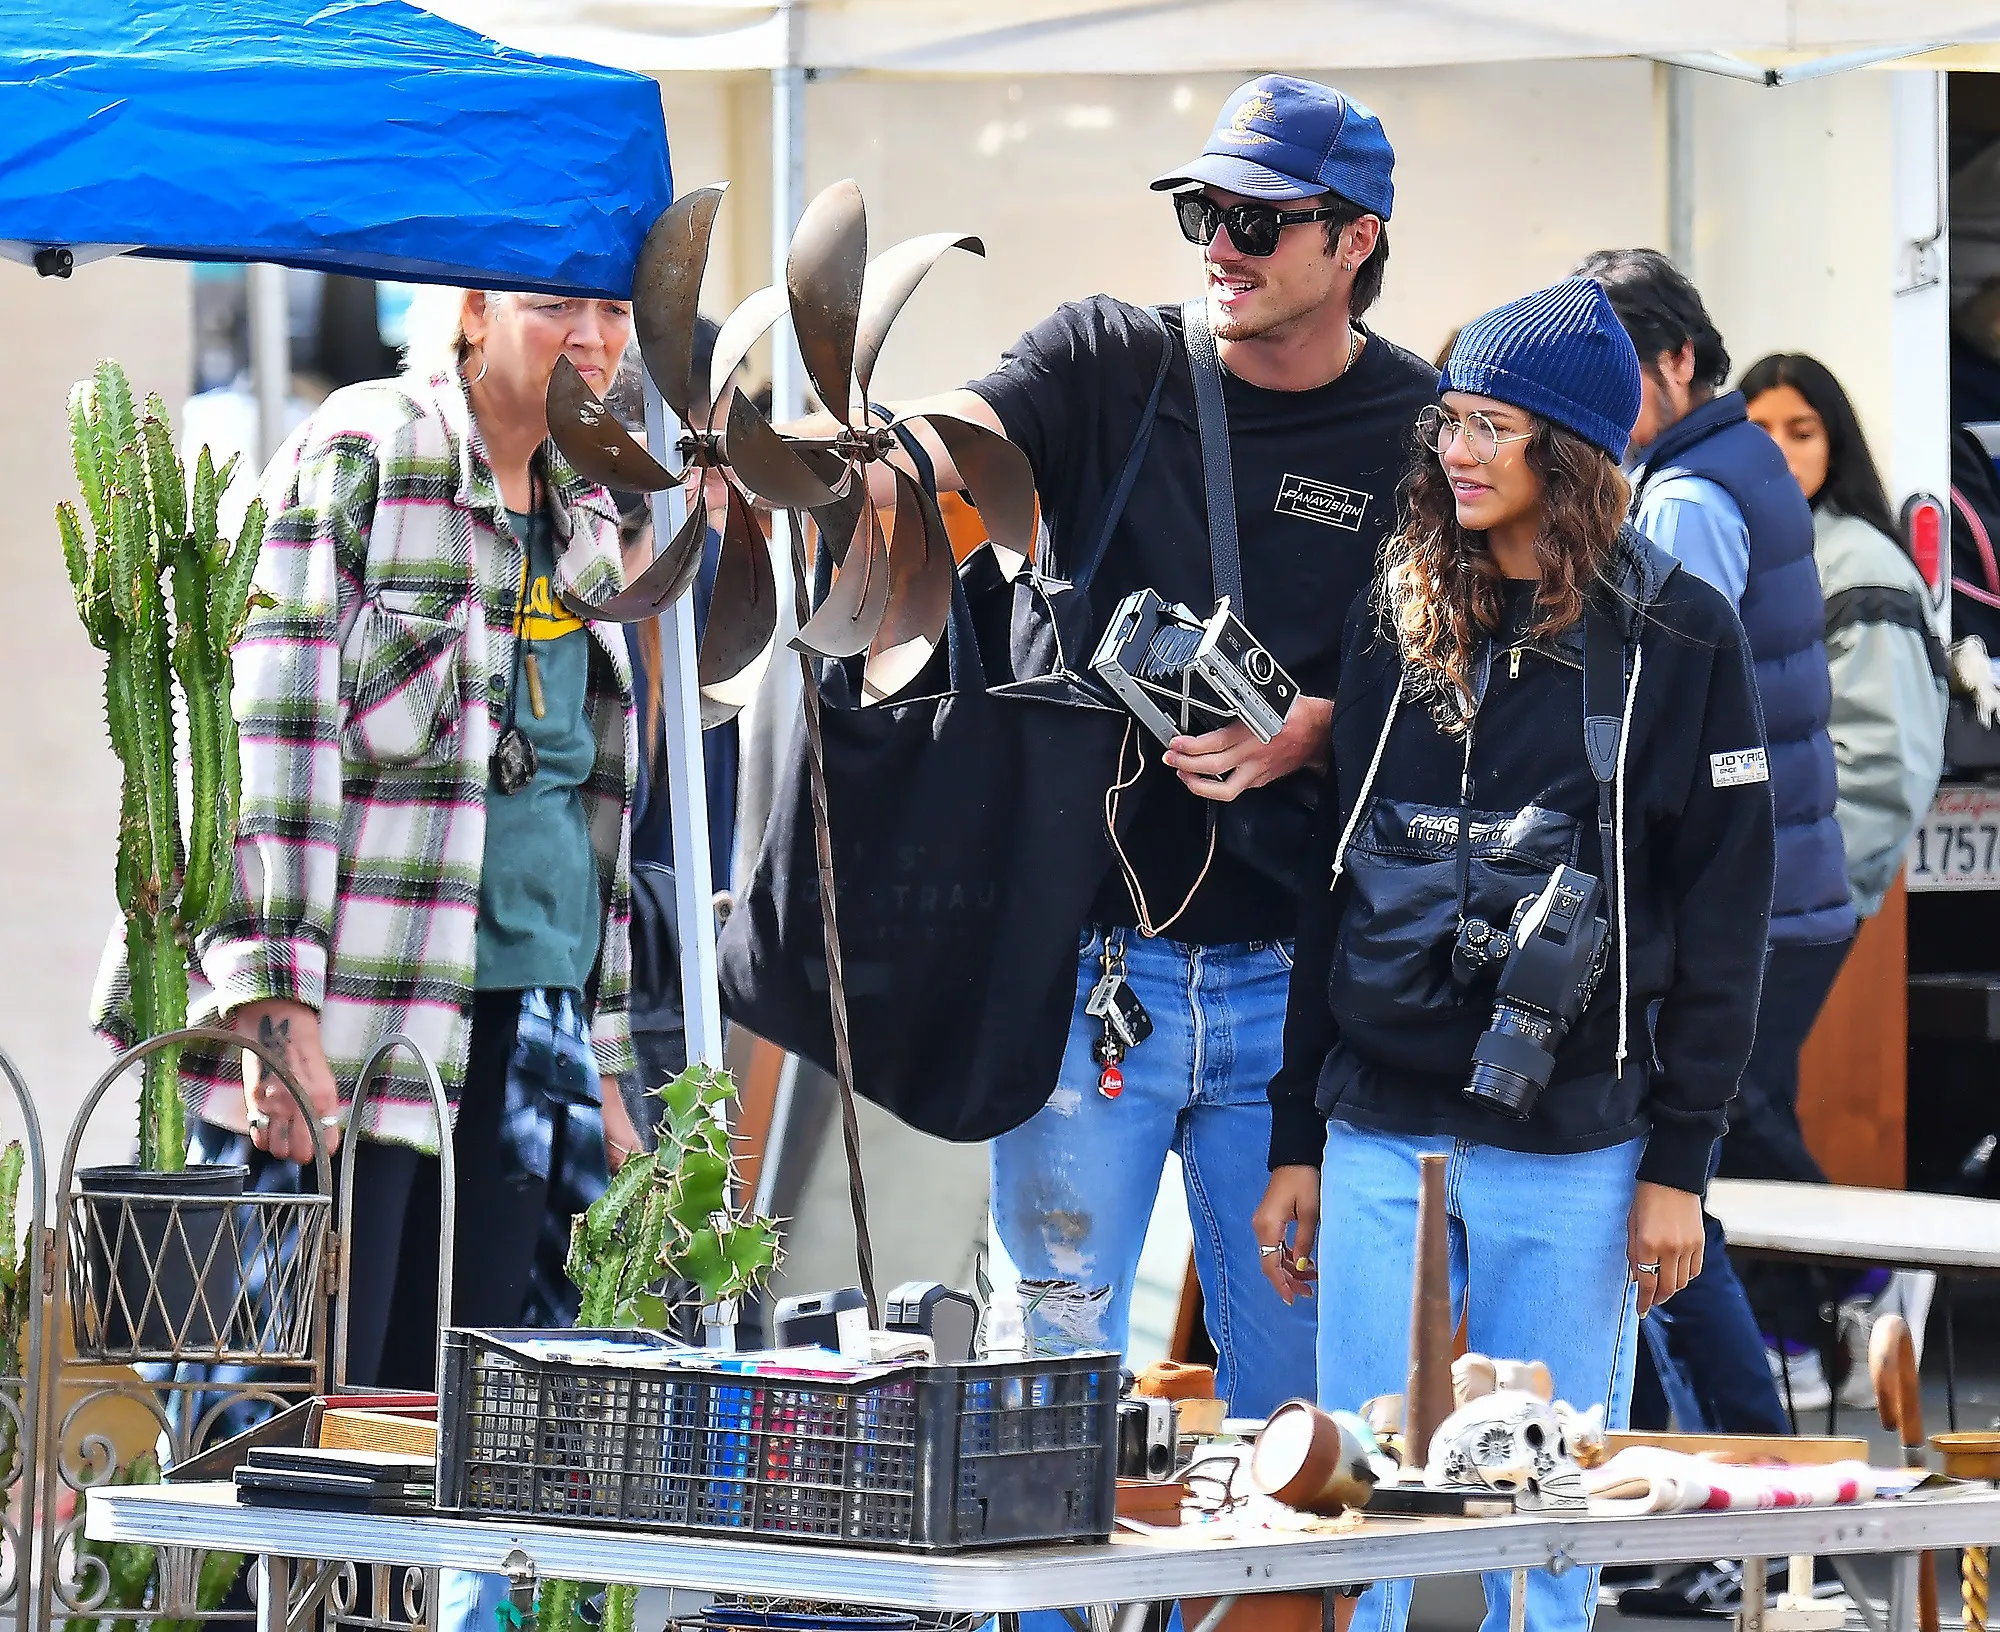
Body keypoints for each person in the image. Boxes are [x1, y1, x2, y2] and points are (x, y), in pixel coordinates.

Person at [851, 75, 1436, 1412]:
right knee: (1041, 1392)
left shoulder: (1423, 432)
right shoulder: (1109, 362)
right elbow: (959, 444)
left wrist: (1323, 732)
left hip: (1301, 991)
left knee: (1299, 1416)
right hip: (1090, 981)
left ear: (1358, 241)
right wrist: (859, 457)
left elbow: (1481, 705)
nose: (1221, 243)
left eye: (1259, 219)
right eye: (1200, 211)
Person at [1257, 278, 1773, 1632]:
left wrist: (1680, 1168)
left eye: (1494, 424)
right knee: (1366, 1516)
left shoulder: (1681, 636)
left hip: (1581, 1145)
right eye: (1450, 420)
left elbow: (1725, 920)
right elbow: (1333, 886)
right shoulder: (1400, 608)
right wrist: (1295, 1137)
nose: (1458, 451)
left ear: (1574, 451)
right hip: (1377, 1133)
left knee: (1541, 1534)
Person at [137, 285, 648, 1388]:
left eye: (614, 310)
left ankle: (400, 1580)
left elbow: (586, 805)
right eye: (558, 306)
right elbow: (268, 725)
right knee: (292, 1415)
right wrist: (274, 1008)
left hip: (527, 1025)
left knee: (446, 1430)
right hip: (364, 1022)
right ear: (471, 312)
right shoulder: (372, 443)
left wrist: (606, 1074)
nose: (595, 339)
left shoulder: (591, 498)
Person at [1577, 251, 1850, 1615]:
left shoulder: (1684, 497)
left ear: (1678, 359)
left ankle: (1739, 1511)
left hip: (1727, 916)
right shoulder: (1739, 459)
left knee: (1665, 1213)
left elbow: (1655, 734)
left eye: (1616, 361)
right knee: (1672, 1210)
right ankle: (1741, 1508)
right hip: (1787, 900)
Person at [1739, 353, 1947, 1407]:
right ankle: (1803, 1325)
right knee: (1735, 1100)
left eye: (1801, 430)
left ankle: (1866, 1276)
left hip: (1799, 893)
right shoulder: (1755, 547)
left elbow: (1890, 759)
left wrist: (1824, 882)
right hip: (1746, 890)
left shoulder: (1855, 556)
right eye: (1760, 426)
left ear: (1837, 445)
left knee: (1734, 1092)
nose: (1778, 451)